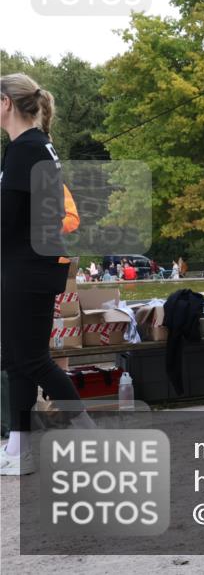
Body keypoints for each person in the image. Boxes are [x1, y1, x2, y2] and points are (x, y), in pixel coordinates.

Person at [1, 73, 95, 475]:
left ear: (6, 103)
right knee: (16, 359)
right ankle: (18, 449)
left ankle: (90, 436)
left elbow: (7, 222)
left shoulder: (26, 150)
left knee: (33, 360)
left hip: (27, 269)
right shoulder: (35, 148)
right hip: (28, 267)